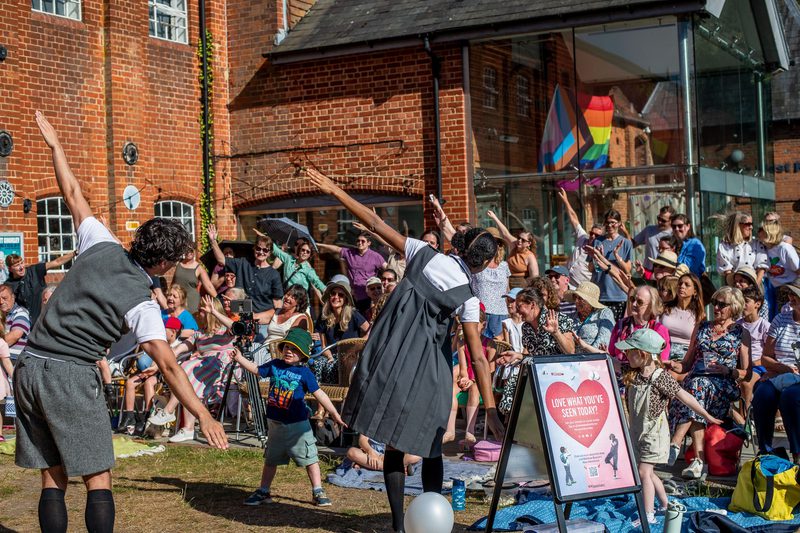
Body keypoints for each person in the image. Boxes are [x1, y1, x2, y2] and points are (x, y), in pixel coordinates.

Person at [14, 111, 226, 533]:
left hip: (29, 365)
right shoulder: (141, 303)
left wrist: (57, 147)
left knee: (52, 476)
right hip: (69, 374)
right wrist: (203, 415)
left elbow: (71, 192)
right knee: (98, 479)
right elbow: (168, 365)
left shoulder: (101, 241)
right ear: (163, 263)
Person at [307, 168, 503, 533]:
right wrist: (490, 409)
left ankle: (399, 526)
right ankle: (431, 524)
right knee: (431, 447)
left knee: (395, 447)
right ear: (480, 264)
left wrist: (336, 190)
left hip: (389, 359)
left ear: (460, 246)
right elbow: (478, 357)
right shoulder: (468, 298)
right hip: (429, 372)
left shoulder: (422, 253)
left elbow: (374, 223)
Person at [618, 328, 722, 524]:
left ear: (643, 354)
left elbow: (685, 397)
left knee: (643, 472)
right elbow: (610, 361)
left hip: (654, 435)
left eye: (629, 351)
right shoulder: (634, 373)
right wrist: (586, 347)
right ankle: (665, 505)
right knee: (648, 472)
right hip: (638, 432)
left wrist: (706, 415)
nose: (625, 354)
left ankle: (648, 515)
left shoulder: (660, 377)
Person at [234, 328, 344, 507]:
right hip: (275, 425)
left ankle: (317, 491)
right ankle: (264, 491)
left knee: (310, 458)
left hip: (299, 427)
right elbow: (256, 370)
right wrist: (239, 358)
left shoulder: (305, 373)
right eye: (286, 347)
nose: (289, 351)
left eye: (295, 349)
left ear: (303, 355)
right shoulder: (275, 364)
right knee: (271, 459)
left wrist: (335, 413)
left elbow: (320, 394)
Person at [667, 287, 750, 478]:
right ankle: (698, 462)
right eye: (715, 303)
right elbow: (687, 363)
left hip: (723, 386)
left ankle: (676, 442)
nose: (716, 307)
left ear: (734, 307)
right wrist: (673, 365)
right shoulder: (702, 327)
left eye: (722, 304)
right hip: (697, 384)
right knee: (697, 386)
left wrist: (729, 371)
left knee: (696, 388)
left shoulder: (740, 333)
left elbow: (747, 373)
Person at [149, 296, 236, 443]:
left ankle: (169, 410)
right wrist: (155, 366)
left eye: (202, 310)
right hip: (201, 373)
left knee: (187, 368)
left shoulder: (224, 331)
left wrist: (214, 312)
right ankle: (188, 428)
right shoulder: (199, 334)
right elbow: (176, 351)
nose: (198, 313)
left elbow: (236, 327)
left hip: (221, 372)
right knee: (185, 372)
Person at [495, 287, 577, 414]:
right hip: (539, 373)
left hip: (559, 374)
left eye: (519, 306)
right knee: (513, 388)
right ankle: (514, 420)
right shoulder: (526, 327)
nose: (517, 310)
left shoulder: (558, 319)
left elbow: (570, 352)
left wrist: (556, 332)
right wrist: (518, 356)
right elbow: (535, 357)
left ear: (532, 304)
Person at [751, 279, 800, 463]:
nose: (791, 297)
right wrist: (781, 368)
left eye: (796, 294)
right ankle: (766, 451)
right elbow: (765, 358)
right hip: (779, 374)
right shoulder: (780, 319)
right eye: (790, 294)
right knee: (763, 393)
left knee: (790, 396)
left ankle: (797, 454)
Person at [207, 224, 283, 319]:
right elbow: (222, 260)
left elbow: (277, 302)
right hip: (240, 316)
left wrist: (277, 321)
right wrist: (213, 241)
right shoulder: (243, 263)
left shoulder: (274, 274)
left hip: (262, 318)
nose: (261, 252)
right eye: (258, 248)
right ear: (254, 248)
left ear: (269, 253)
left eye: (265, 250)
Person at [312, 277, 370, 383]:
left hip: (351, 355)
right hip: (331, 355)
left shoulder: (353, 314)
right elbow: (324, 346)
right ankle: (319, 391)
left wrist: (358, 345)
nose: (336, 297)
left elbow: (370, 330)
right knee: (317, 364)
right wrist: (330, 357)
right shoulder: (324, 316)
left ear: (346, 299)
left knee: (336, 366)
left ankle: (337, 391)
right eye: (333, 293)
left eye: (340, 295)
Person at [318, 232, 386, 312]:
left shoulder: (375, 256)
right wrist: (320, 245)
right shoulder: (350, 253)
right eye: (358, 241)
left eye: (363, 241)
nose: (360, 243)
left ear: (369, 243)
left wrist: (383, 284)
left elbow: (388, 269)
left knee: (367, 316)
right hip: (353, 295)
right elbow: (337, 249)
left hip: (368, 295)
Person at [5, 251, 75, 324]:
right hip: (25, 323)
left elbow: (57, 262)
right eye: (17, 265)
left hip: (44, 319)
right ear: (10, 269)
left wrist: (74, 253)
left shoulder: (35, 270)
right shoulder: (8, 285)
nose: (21, 267)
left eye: (22, 263)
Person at [556, 187, 604, 289]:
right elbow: (574, 218)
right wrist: (566, 201)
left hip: (582, 288)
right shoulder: (583, 238)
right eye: (591, 233)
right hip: (568, 284)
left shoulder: (600, 251)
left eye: (597, 235)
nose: (593, 236)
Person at [590, 209, 633, 320]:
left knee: (617, 327)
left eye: (613, 222)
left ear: (619, 223)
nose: (609, 225)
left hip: (619, 294)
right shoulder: (597, 241)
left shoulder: (626, 243)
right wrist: (597, 257)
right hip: (600, 294)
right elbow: (590, 268)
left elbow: (628, 270)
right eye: (607, 222)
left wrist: (617, 256)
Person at [471, 237, 511, 339]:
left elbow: (507, 290)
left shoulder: (504, 265)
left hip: (501, 313)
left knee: (499, 345)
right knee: (479, 344)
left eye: (496, 242)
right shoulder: (476, 264)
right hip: (480, 313)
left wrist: (510, 310)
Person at [659, 273, 705, 362]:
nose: (682, 286)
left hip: (686, 358)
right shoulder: (664, 308)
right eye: (680, 284)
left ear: (695, 291)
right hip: (662, 353)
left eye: (687, 285)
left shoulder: (699, 314)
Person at [487, 210, 538, 288]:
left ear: (529, 243)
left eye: (523, 240)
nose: (519, 241)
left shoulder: (530, 256)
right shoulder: (515, 245)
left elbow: (534, 277)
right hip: (508, 284)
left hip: (522, 287)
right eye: (519, 238)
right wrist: (494, 217)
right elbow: (505, 233)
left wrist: (527, 289)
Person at [760, 220, 799, 319]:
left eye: (761, 230)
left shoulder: (784, 248)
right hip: (774, 287)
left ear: (769, 232)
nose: (758, 232)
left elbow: (798, 269)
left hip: (788, 287)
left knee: (786, 315)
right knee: (773, 314)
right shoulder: (765, 248)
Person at [268, 236, 326, 303]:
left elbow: (317, 282)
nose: (305, 252)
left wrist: (328, 291)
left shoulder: (308, 269)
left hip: (300, 301)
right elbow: (275, 249)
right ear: (299, 250)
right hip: (287, 298)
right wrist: (263, 237)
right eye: (303, 250)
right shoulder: (288, 259)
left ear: (310, 255)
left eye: (308, 252)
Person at [716, 212, 768, 287]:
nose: (751, 227)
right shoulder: (725, 246)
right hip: (734, 285)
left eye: (752, 224)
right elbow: (727, 272)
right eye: (748, 224)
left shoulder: (756, 244)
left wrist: (755, 287)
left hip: (755, 284)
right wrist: (736, 286)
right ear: (737, 226)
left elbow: (762, 268)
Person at [738, 286, 769, 411]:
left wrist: (754, 362)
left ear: (757, 304)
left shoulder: (764, 326)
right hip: (739, 364)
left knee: (746, 383)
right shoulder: (737, 324)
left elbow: (770, 354)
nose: (742, 305)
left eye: (746, 301)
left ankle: (747, 415)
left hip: (758, 366)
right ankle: (740, 416)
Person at [568, 281, 614, 351]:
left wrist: (586, 353)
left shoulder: (604, 313)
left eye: (580, 298)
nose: (576, 301)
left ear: (590, 302)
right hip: (571, 356)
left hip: (594, 356)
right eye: (575, 297)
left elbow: (603, 343)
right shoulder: (571, 317)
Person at [172, 247, 217, 314]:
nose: (188, 252)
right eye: (186, 250)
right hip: (177, 301)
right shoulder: (178, 264)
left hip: (191, 303)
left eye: (191, 250)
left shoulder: (199, 268)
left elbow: (209, 286)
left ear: (195, 251)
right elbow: (173, 283)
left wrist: (218, 300)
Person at [346, 434, 421, 473]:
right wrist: (370, 452)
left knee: (415, 456)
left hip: (394, 455)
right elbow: (362, 440)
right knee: (351, 452)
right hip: (374, 454)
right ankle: (396, 468)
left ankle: (375, 466)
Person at [633, 205, 674, 273]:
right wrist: (625, 232)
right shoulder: (649, 230)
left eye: (663, 221)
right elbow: (632, 244)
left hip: (666, 271)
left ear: (671, 221)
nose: (659, 222)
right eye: (658, 218)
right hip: (648, 271)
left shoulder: (674, 234)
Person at [0, 284, 30, 361]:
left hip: (14, 360)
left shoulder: (20, 313)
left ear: (13, 297)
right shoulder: (1, 315)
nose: (1, 302)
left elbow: (15, 335)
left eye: (5, 298)